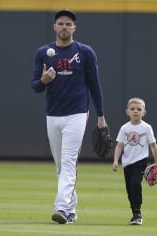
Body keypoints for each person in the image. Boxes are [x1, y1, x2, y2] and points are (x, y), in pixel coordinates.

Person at [31, 9, 107, 224]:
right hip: (53, 115)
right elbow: (35, 86)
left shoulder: (84, 52)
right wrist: (44, 81)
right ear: (54, 27)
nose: (64, 27)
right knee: (60, 166)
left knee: (68, 162)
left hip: (77, 114)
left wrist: (101, 115)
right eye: (60, 23)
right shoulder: (43, 53)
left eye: (68, 24)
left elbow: (95, 85)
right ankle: (71, 210)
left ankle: (61, 208)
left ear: (74, 28)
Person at [112, 97, 157, 225]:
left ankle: (138, 214)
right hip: (127, 163)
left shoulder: (147, 128)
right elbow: (119, 146)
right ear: (127, 111)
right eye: (132, 109)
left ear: (144, 112)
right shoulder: (124, 128)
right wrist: (115, 160)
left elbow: (153, 146)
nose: (135, 111)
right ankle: (134, 213)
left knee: (135, 184)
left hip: (141, 161)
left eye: (139, 109)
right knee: (129, 190)